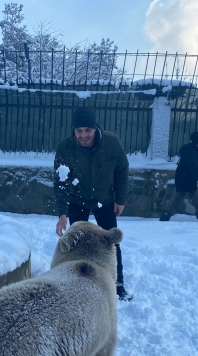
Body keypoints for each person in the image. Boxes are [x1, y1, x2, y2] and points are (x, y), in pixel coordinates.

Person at [53, 106, 133, 301]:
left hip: (104, 199)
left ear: (94, 128)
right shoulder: (65, 148)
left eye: (87, 130)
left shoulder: (111, 142)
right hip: (77, 199)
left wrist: (120, 199)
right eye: (79, 131)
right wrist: (62, 214)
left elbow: (122, 169)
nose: (83, 135)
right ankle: (76, 281)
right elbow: (60, 181)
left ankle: (117, 284)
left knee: (110, 241)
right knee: (76, 243)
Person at [159, 131, 198, 223]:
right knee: (176, 202)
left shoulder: (192, 151)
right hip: (185, 182)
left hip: (189, 182)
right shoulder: (191, 153)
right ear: (197, 143)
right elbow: (193, 169)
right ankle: (164, 220)